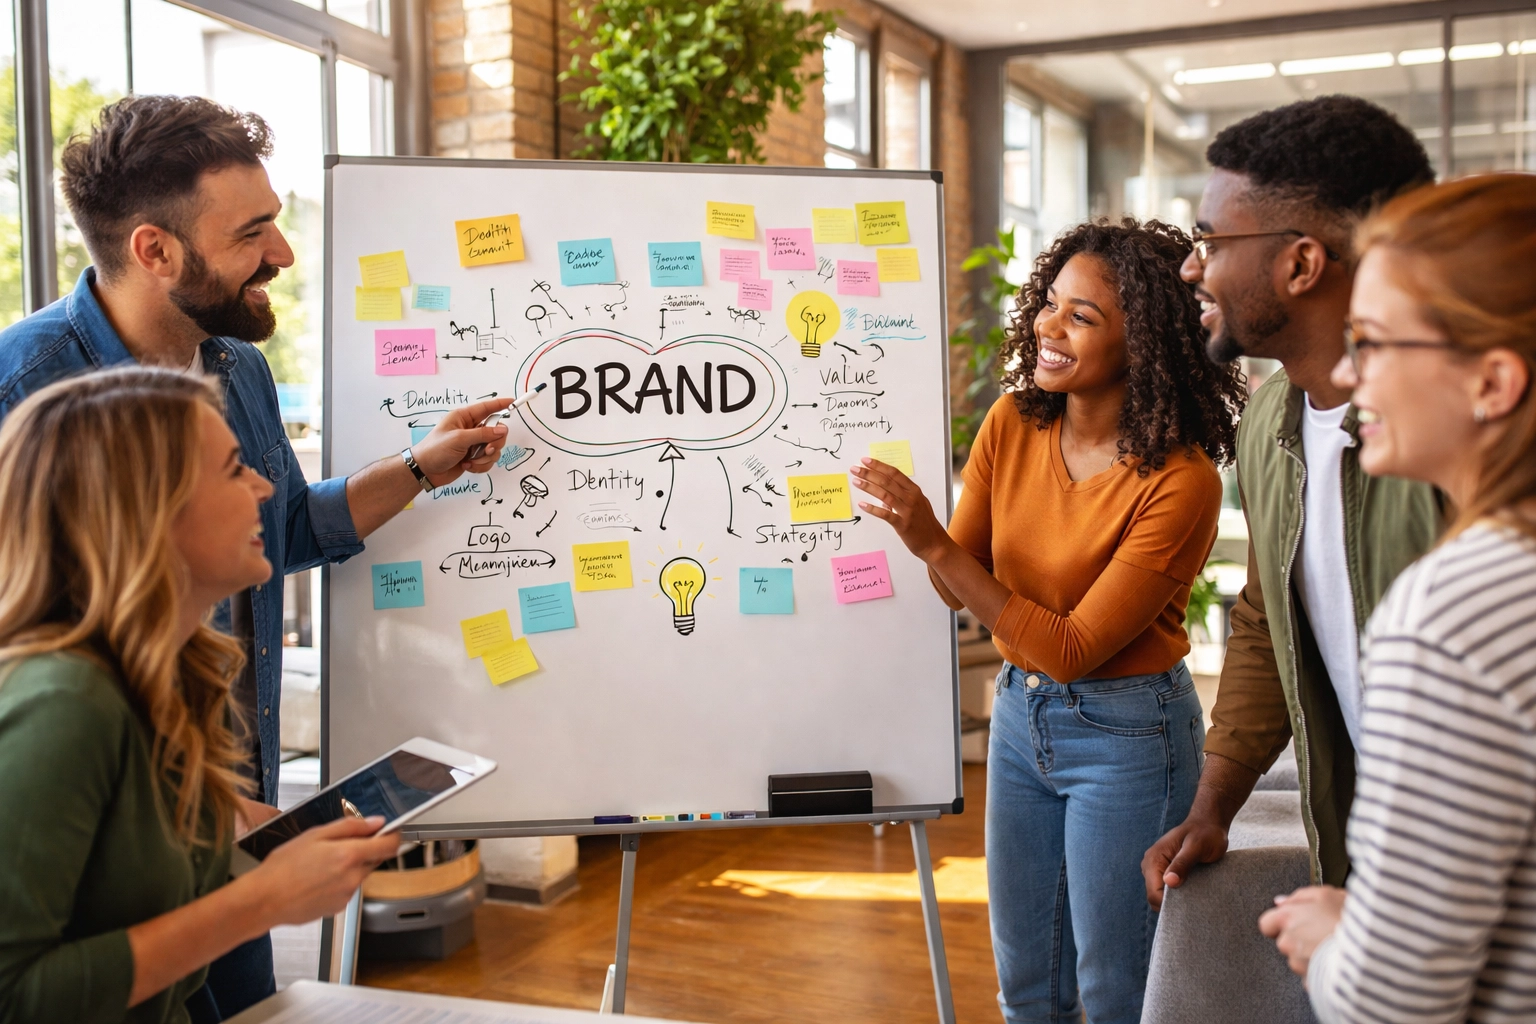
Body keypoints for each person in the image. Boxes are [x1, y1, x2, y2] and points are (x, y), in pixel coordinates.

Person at [0, 95, 509, 1017]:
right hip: (97, 834)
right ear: (155, 250)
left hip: (221, 801)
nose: (281, 254)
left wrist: (417, 469)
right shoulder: (27, 393)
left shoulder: (236, 365)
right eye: (255, 231)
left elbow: (282, 532)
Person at [852, 220, 1245, 1024]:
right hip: (1021, 718)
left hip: (1130, 737)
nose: (1048, 326)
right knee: (1028, 989)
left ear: (1148, 344)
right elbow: (952, 588)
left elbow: (1069, 650)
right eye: (1051, 304)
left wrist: (931, 539)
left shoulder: (1181, 481)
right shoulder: (1013, 424)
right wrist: (934, 546)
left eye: (1083, 316)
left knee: (1116, 994)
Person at [0, 367, 403, 1023]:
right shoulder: (62, 703)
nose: (265, 488)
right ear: (146, 510)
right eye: (234, 468)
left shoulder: (166, 671)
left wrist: (261, 836)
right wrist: (260, 902)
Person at [1143, 96, 1441, 905]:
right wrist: (1213, 809)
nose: (1190, 267)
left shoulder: (1457, 437)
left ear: (1302, 264)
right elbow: (1268, 616)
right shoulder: (1271, 418)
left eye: (1209, 240)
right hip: (1372, 852)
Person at [1258, 173, 1536, 1023]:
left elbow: (1393, 1006)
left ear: (1492, 383)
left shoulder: (1453, 613)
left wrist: (1337, 941)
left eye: (1373, 343)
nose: (1347, 372)